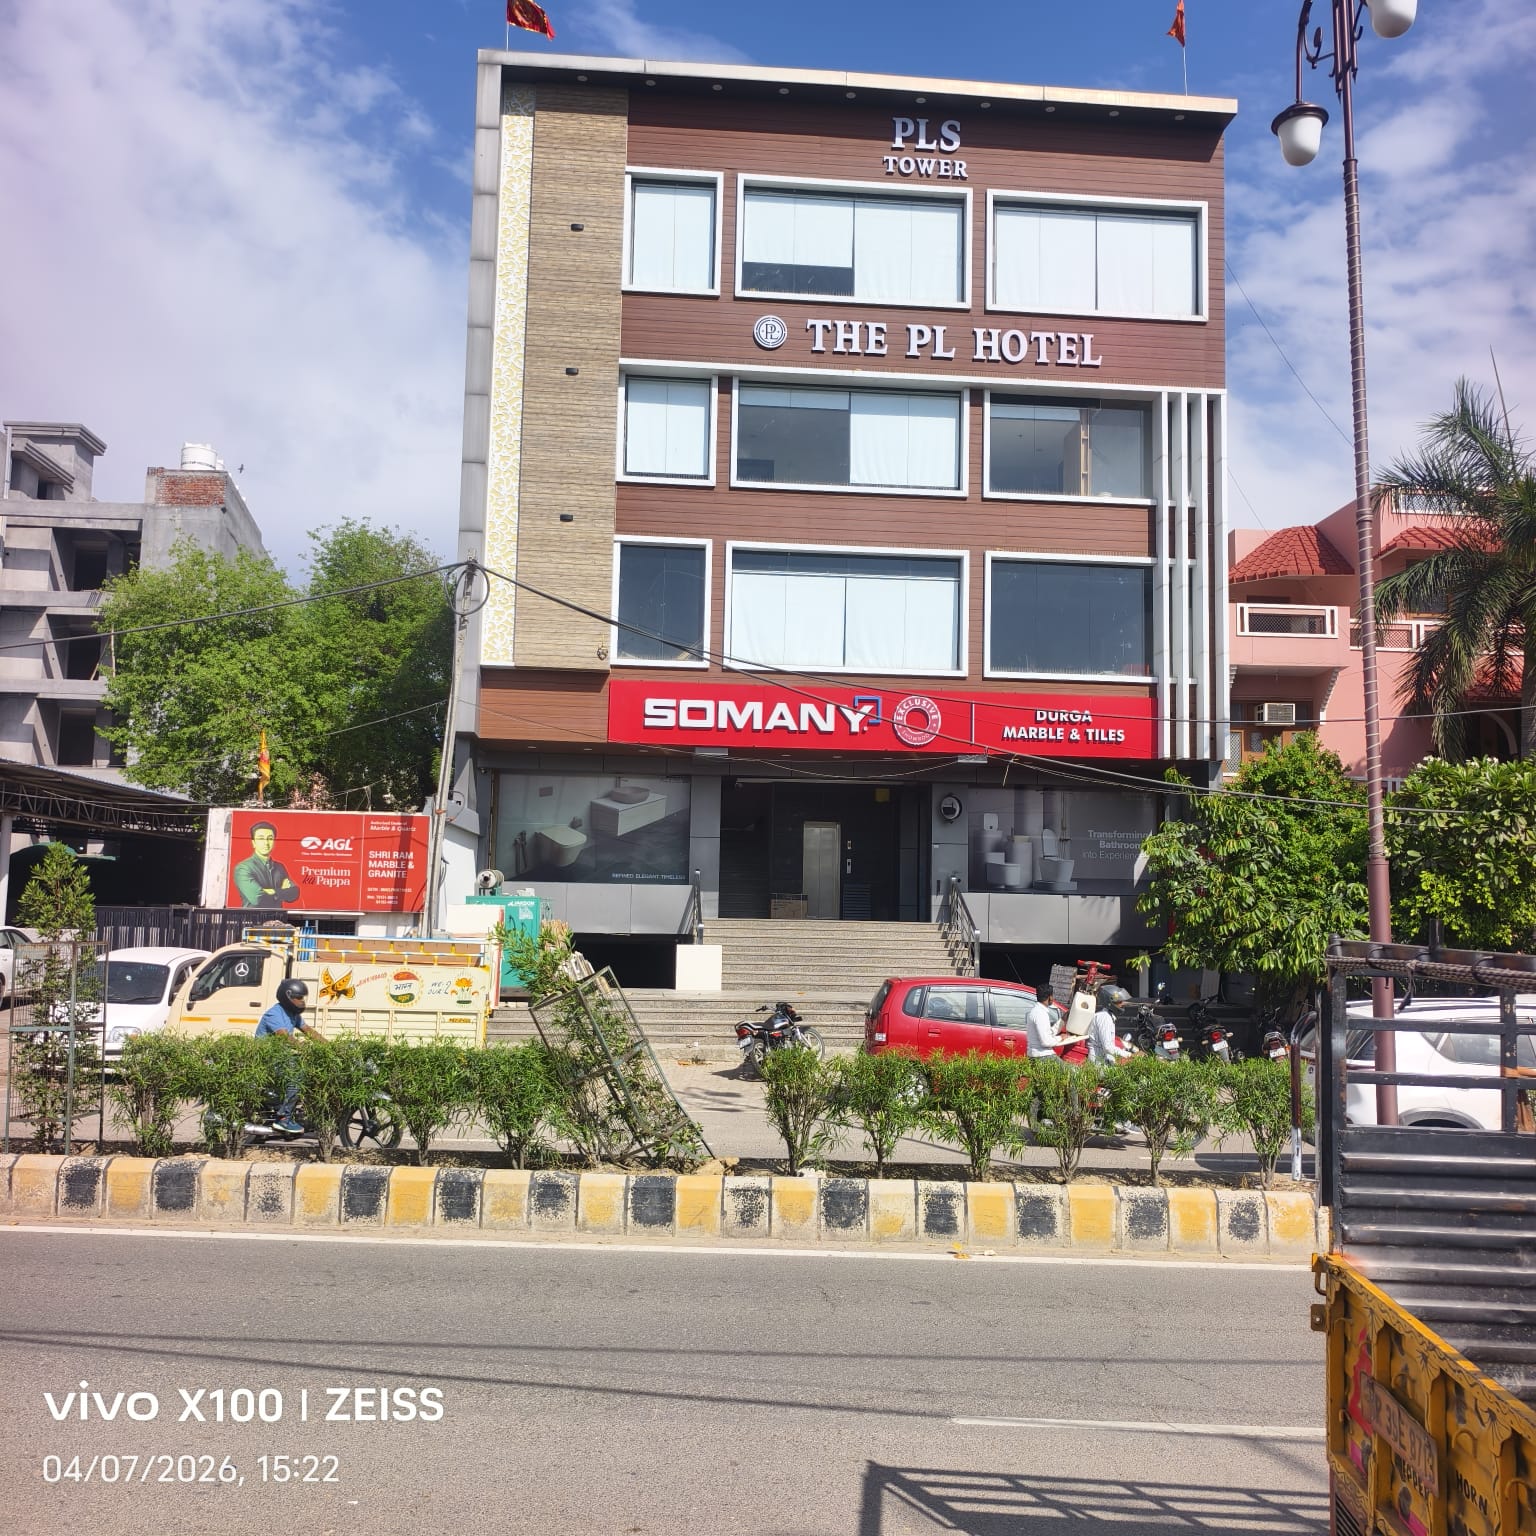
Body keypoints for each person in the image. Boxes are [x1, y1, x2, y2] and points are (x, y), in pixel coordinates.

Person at [254, 977, 323, 1134]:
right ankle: (284, 1118)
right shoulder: (274, 1014)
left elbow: (309, 1031)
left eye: (303, 998)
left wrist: (331, 1047)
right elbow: (285, 1036)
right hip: (267, 1059)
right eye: (298, 998)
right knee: (297, 1076)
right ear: (287, 997)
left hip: (281, 1057)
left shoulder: (293, 1014)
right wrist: (303, 1048)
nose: (302, 1001)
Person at [233, 821, 301, 909]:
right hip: (253, 916)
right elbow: (257, 898)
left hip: (277, 917)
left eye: (270, 838)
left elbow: (294, 893)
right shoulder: (243, 868)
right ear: (253, 843)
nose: (266, 843)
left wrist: (270, 892)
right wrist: (281, 891)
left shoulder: (280, 867)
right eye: (261, 839)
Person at [1088, 984, 1136, 1065]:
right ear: (1110, 1002)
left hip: (1103, 1060)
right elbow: (1108, 1047)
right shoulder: (1104, 1018)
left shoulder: (1108, 1016)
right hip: (1098, 1063)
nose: (1122, 1004)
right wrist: (1129, 1055)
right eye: (1119, 1001)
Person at [1025, 983, 1070, 1058]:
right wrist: (1060, 1037)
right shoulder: (1040, 1013)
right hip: (1042, 1055)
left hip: (1039, 1054)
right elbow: (1046, 1042)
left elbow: (1048, 1033)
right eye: (1052, 996)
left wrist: (1062, 1021)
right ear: (1050, 997)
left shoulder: (1036, 1011)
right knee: (1071, 1066)